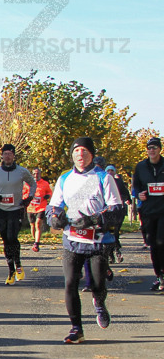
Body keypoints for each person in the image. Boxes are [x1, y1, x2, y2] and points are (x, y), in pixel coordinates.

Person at [46, 137, 124, 343]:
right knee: (70, 282)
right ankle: (76, 328)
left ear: (91, 154)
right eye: (76, 151)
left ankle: (99, 302)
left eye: (84, 151)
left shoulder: (104, 178)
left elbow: (116, 210)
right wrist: (55, 219)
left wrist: (95, 219)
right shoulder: (64, 179)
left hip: (98, 241)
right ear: (72, 155)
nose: (80, 155)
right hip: (72, 239)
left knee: (97, 283)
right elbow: (53, 207)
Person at [0, 144, 36, 284]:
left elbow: (33, 184)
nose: (7, 156)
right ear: (2, 156)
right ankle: (10, 270)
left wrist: (29, 198)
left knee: (12, 237)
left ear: (13, 156)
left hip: (16, 209)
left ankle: (17, 264)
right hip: (1, 210)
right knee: (6, 240)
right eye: (5, 154)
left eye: (10, 154)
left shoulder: (22, 171)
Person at [132, 137, 164, 291]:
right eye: (149, 148)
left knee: (161, 242)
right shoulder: (141, 167)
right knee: (153, 245)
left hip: (163, 211)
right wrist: (139, 195)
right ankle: (159, 276)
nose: (152, 150)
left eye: (155, 147)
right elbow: (135, 186)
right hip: (148, 211)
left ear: (160, 149)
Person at [104, 165, 130, 263]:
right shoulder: (102, 181)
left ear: (115, 172)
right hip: (106, 213)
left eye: (112, 170)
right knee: (108, 233)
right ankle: (111, 254)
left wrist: (127, 199)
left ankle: (117, 251)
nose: (110, 172)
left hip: (117, 212)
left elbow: (125, 193)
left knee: (115, 232)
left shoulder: (118, 182)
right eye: (108, 170)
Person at [24, 168, 52, 251]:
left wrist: (48, 196)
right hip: (31, 207)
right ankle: (34, 240)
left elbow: (49, 192)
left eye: (38, 173)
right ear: (32, 174)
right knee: (32, 226)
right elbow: (23, 193)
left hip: (41, 207)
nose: (36, 175)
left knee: (38, 224)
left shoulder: (45, 183)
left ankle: (36, 243)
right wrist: (27, 198)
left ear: (40, 174)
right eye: (34, 173)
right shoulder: (28, 184)